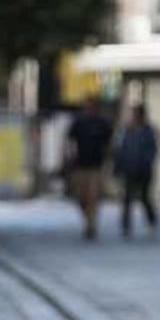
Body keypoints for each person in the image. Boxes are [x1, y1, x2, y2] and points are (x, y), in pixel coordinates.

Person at [65, 96, 115, 240]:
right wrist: (68, 157)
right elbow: (69, 141)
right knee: (80, 198)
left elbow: (110, 142)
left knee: (93, 197)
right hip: (79, 166)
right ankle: (88, 219)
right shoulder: (79, 122)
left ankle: (91, 226)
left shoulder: (102, 123)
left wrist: (108, 159)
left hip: (96, 167)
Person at [114, 104, 159, 238]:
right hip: (129, 169)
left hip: (144, 170)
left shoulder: (148, 130)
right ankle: (126, 226)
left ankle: (151, 222)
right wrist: (119, 166)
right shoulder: (127, 130)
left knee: (145, 197)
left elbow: (153, 150)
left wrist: (146, 162)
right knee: (127, 198)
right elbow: (122, 149)